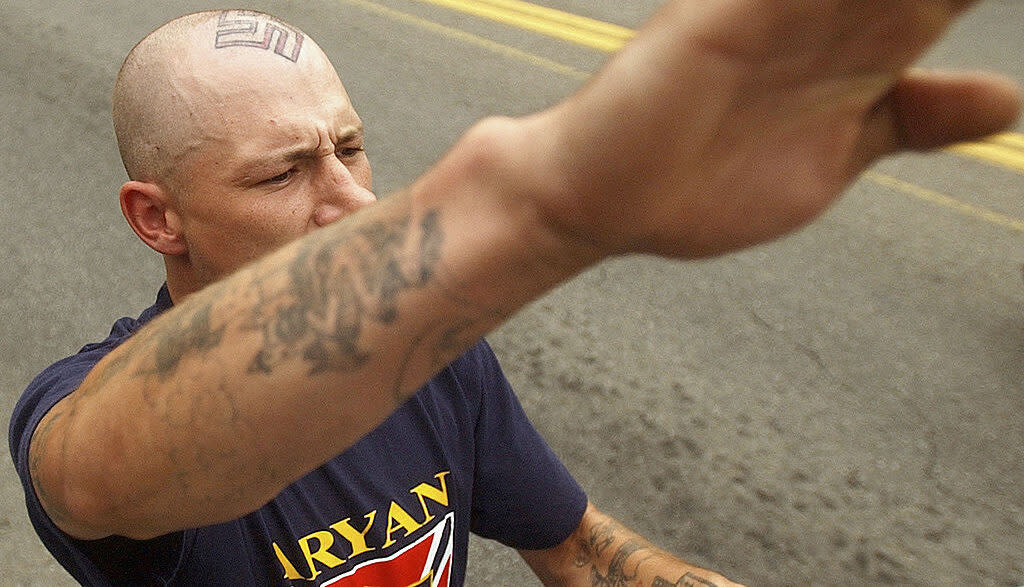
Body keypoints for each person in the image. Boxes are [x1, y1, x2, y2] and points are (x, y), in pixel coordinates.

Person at [8, 2, 1018, 586]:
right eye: (284, 174)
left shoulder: (427, 355)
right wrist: (533, 213)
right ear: (158, 218)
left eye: (352, 148)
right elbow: (99, 472)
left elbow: (574, 545)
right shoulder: (85, 401)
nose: (353, 199)